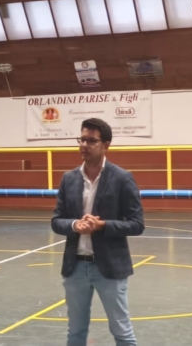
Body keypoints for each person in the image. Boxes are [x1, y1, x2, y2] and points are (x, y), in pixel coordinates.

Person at [51, 118, 145, 346]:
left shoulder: (122, 178)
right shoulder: (69, 178)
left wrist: (102, 226)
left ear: (106, 145)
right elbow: (56, 221)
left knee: (122, 333)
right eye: (82, 139)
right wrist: (75, 225)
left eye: (91, 141)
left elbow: (136, 224)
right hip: (75, 268)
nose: (84, 145)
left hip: (110, 269)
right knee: (75, 333)